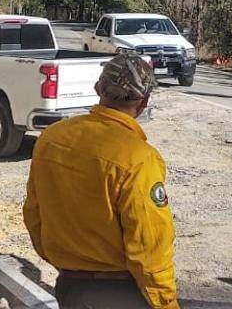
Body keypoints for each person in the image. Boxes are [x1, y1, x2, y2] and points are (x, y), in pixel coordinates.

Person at [23, 50, 179, 309]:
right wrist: (165, 302)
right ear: (144, 102)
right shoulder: (138, 159)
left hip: (70, 287)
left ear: (98, 89)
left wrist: (65, 262)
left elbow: (34, 213)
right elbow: (149, 244)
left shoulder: (52, 137)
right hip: (119, 294)